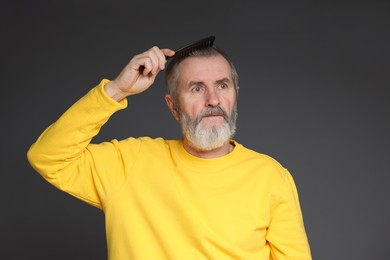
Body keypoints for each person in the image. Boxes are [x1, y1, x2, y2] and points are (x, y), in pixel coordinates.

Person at [27, 42, 312, 259]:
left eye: (222, 85)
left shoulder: (271, 177)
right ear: (173, 106)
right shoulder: (129, 163)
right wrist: (116, 91)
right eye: (197, 89)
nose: (213, 99)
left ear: (235, 93)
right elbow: (47, 156)